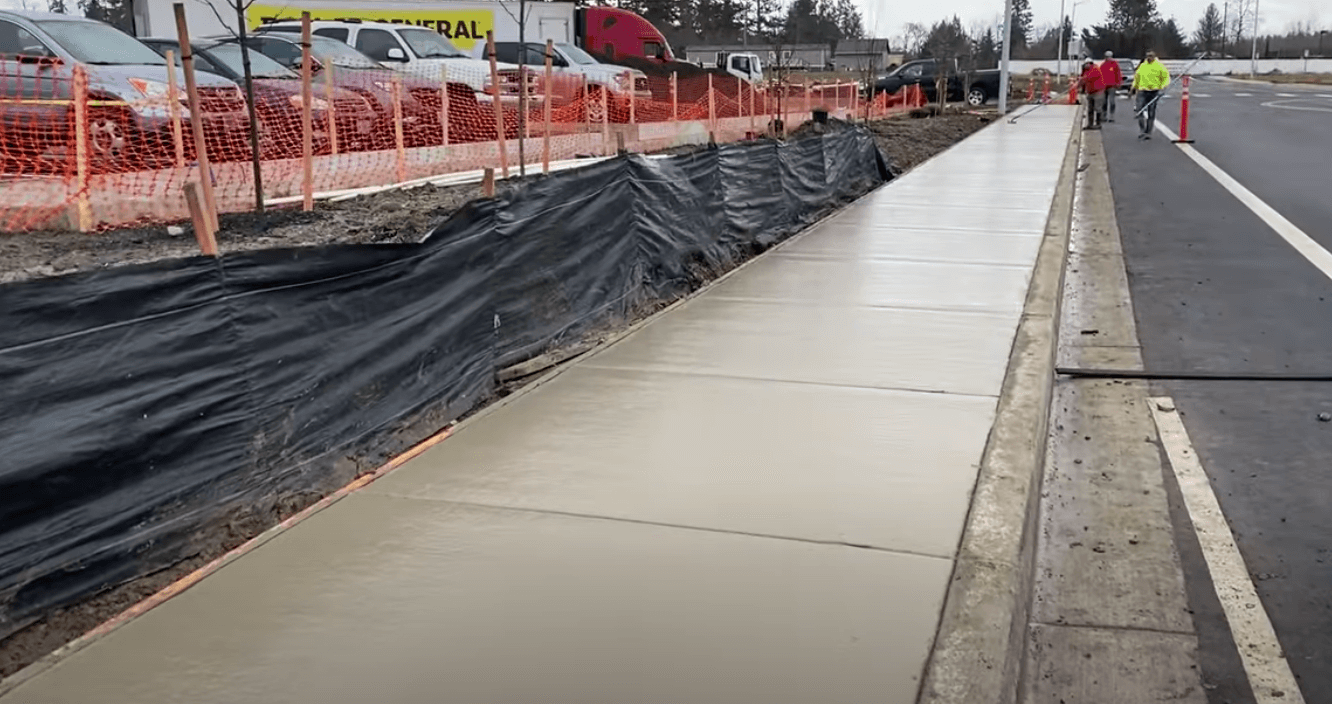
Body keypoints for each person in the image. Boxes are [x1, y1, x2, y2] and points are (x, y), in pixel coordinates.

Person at [1131, 51, 1170, 140]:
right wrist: (1134, 87)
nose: (1150, 57)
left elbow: (1165, 77)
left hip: (1154, 91)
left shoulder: (1159, 66)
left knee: (1151, 112)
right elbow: (1137, 77)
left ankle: (1148, 132)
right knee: (1139, 110)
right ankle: (1142, 130)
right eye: (1148, 56)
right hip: (1142, 90)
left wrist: (1163, 87)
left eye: (1151, 56)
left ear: (1154, 56)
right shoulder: (1142, 66)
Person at [1078, 59, 1105, 130]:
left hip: (1098, 91)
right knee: (1090, 108)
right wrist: (1082, 88)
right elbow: (1083, 80)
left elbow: (1089, 78)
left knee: (1097, 108)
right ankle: (1090, 124)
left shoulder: (1095, 69)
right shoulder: (1085, 71)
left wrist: (1081, 80)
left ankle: (1098, 124)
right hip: (1090, 91)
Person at [1099, 50, 1123, 122]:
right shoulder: (1103, 65)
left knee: (1112, 101)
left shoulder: (1115, 64)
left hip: (1112, 86)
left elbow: (1118, 74)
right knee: (1104, 102)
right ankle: (1104, 115)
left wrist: (1119, 83)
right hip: (1104, 86)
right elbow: (1100, 75)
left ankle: (1112, 116)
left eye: (1109, 57)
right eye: (1107, 57)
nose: (1108, 58)